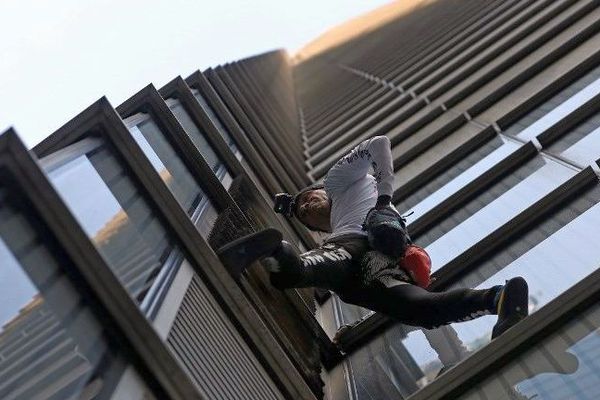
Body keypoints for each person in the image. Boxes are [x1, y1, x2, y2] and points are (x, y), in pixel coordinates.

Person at [218, 136, 528, 339]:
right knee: (423, 311)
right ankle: (501, 297)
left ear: (321, 190)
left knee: (295, 272)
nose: (306, 206)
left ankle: (273, 247)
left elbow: (379, 142)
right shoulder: (338, 221)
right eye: (301, 213)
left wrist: (384, 196)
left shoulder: (338, 183)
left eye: (308, 198)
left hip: (354, 251)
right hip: (378, 274)